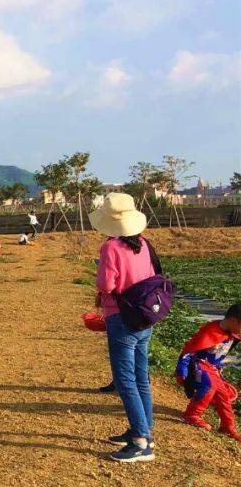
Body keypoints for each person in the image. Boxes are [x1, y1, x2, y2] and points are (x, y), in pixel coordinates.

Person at [91, 193, 158, 463]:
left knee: (125, 380)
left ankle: (141, 443)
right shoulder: (143, 243)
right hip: (144, 316)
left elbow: (107, 285)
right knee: (140, 376)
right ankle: (143, 430)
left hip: (121, 317)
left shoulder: (111, 248)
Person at [172, 303, 241, 441]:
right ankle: (192, 414)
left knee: (224, 396)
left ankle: (228, 425)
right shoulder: (210, 330)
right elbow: (190, 349)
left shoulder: (233, 332)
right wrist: (182, 369)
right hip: (200, 365)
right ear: (233, 320)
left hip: (213, 368)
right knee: (209, 386)